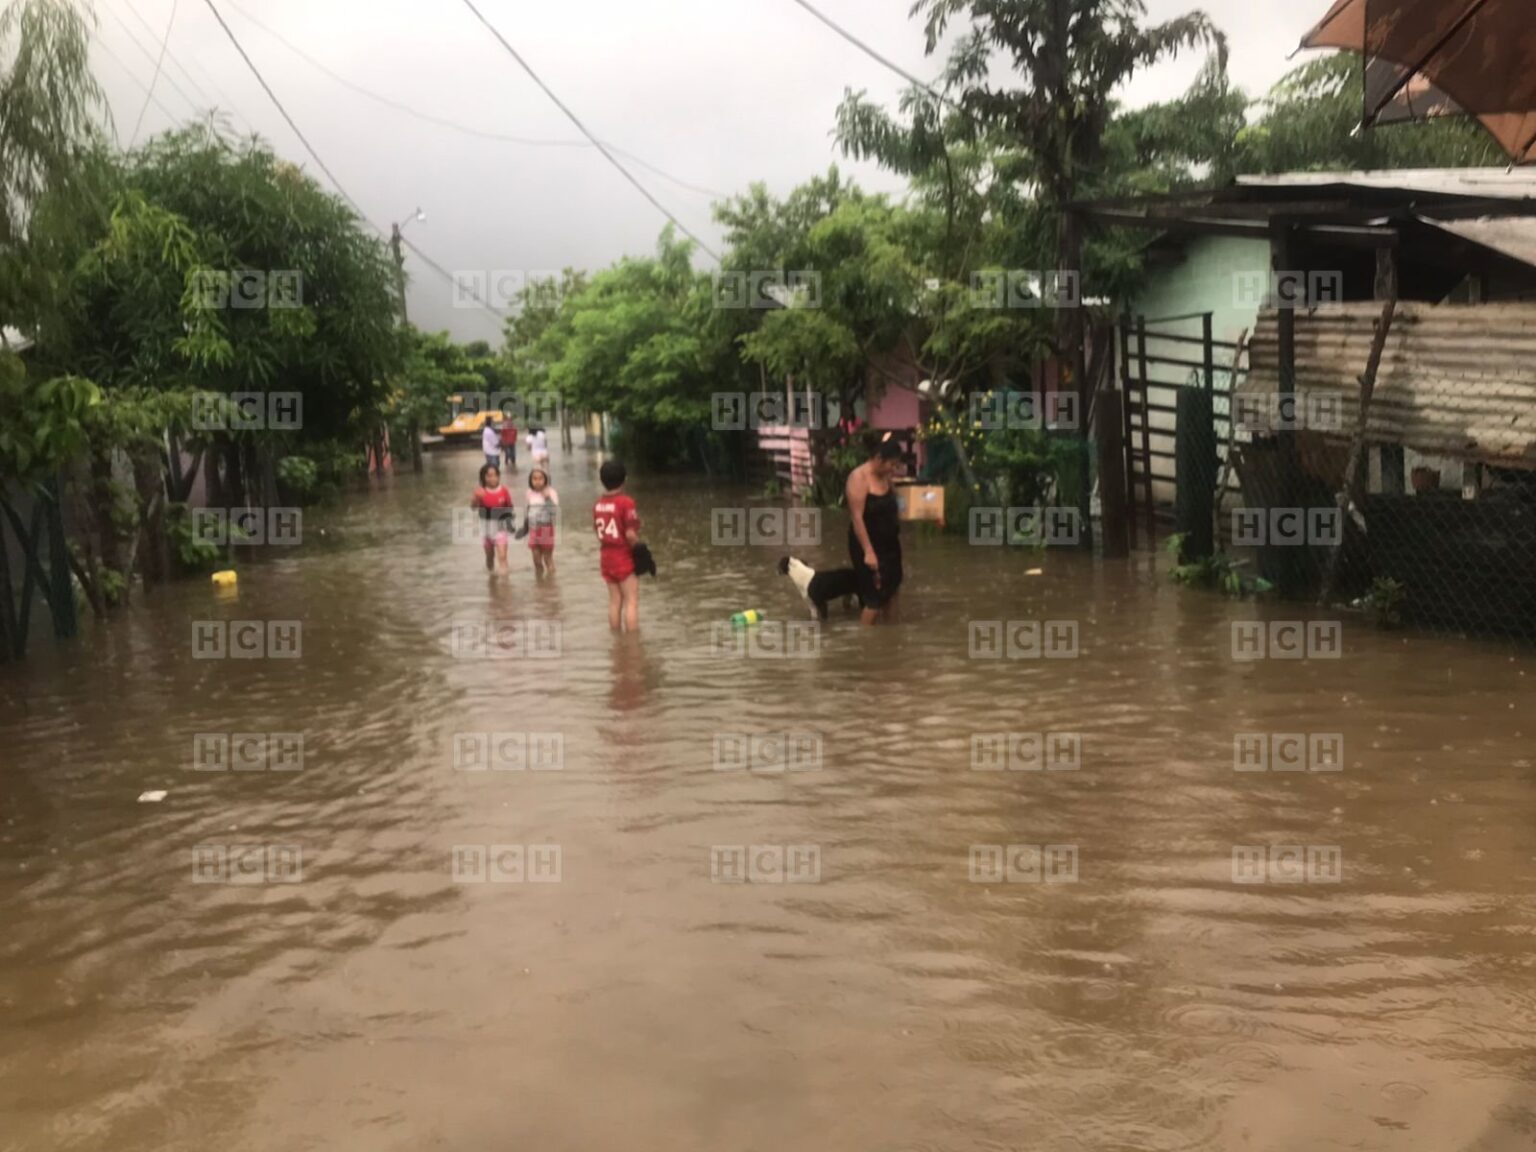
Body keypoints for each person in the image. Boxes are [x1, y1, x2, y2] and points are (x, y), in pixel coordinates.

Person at [845, 431, 904, 625]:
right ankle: (867, 644)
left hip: (890, 544)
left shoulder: (886, 477)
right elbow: (857, 517)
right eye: (891, 464)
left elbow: (896, 504)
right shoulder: (859, 478)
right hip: (867, 544)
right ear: (879, 458)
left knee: (893, 590)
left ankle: (891, 637)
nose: (894, 469)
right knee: (874, 599)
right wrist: (868, 551)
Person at [593, 459, 641, 632]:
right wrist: (640, 550)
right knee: (631, 601)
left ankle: (616, 640)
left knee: (614, 601)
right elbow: (630, 534)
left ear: (602, 480)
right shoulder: (626, 503)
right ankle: (632, 643)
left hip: (606, 557)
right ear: (625, 479)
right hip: (623, 556)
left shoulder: (598, 504)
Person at [471, 462, 515, 573]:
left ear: (499, 476)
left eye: (495, 475)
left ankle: (505, 584)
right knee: (490, 557)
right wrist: (476, 498)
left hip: (500, 529)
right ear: (483, 477)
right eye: (489, 476)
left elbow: (510, 507)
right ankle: (491, 580)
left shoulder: (504, 491)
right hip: (486, 530)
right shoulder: (480, 491)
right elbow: (473, 508)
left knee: (502, 556)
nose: (493, 478)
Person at [523, 467, 559, 577]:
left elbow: (554, 511)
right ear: (530, 480)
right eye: (534, 479)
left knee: (547, 558)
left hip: (546, 528)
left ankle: (551, 581)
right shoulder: (529, 492)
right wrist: (525, 526)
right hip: (533, 528)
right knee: (536, 559)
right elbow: (528, 508)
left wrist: (547, 498)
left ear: (546, 480)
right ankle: (540, 583)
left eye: (540, 478)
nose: (537, 481)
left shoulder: (551, 492)